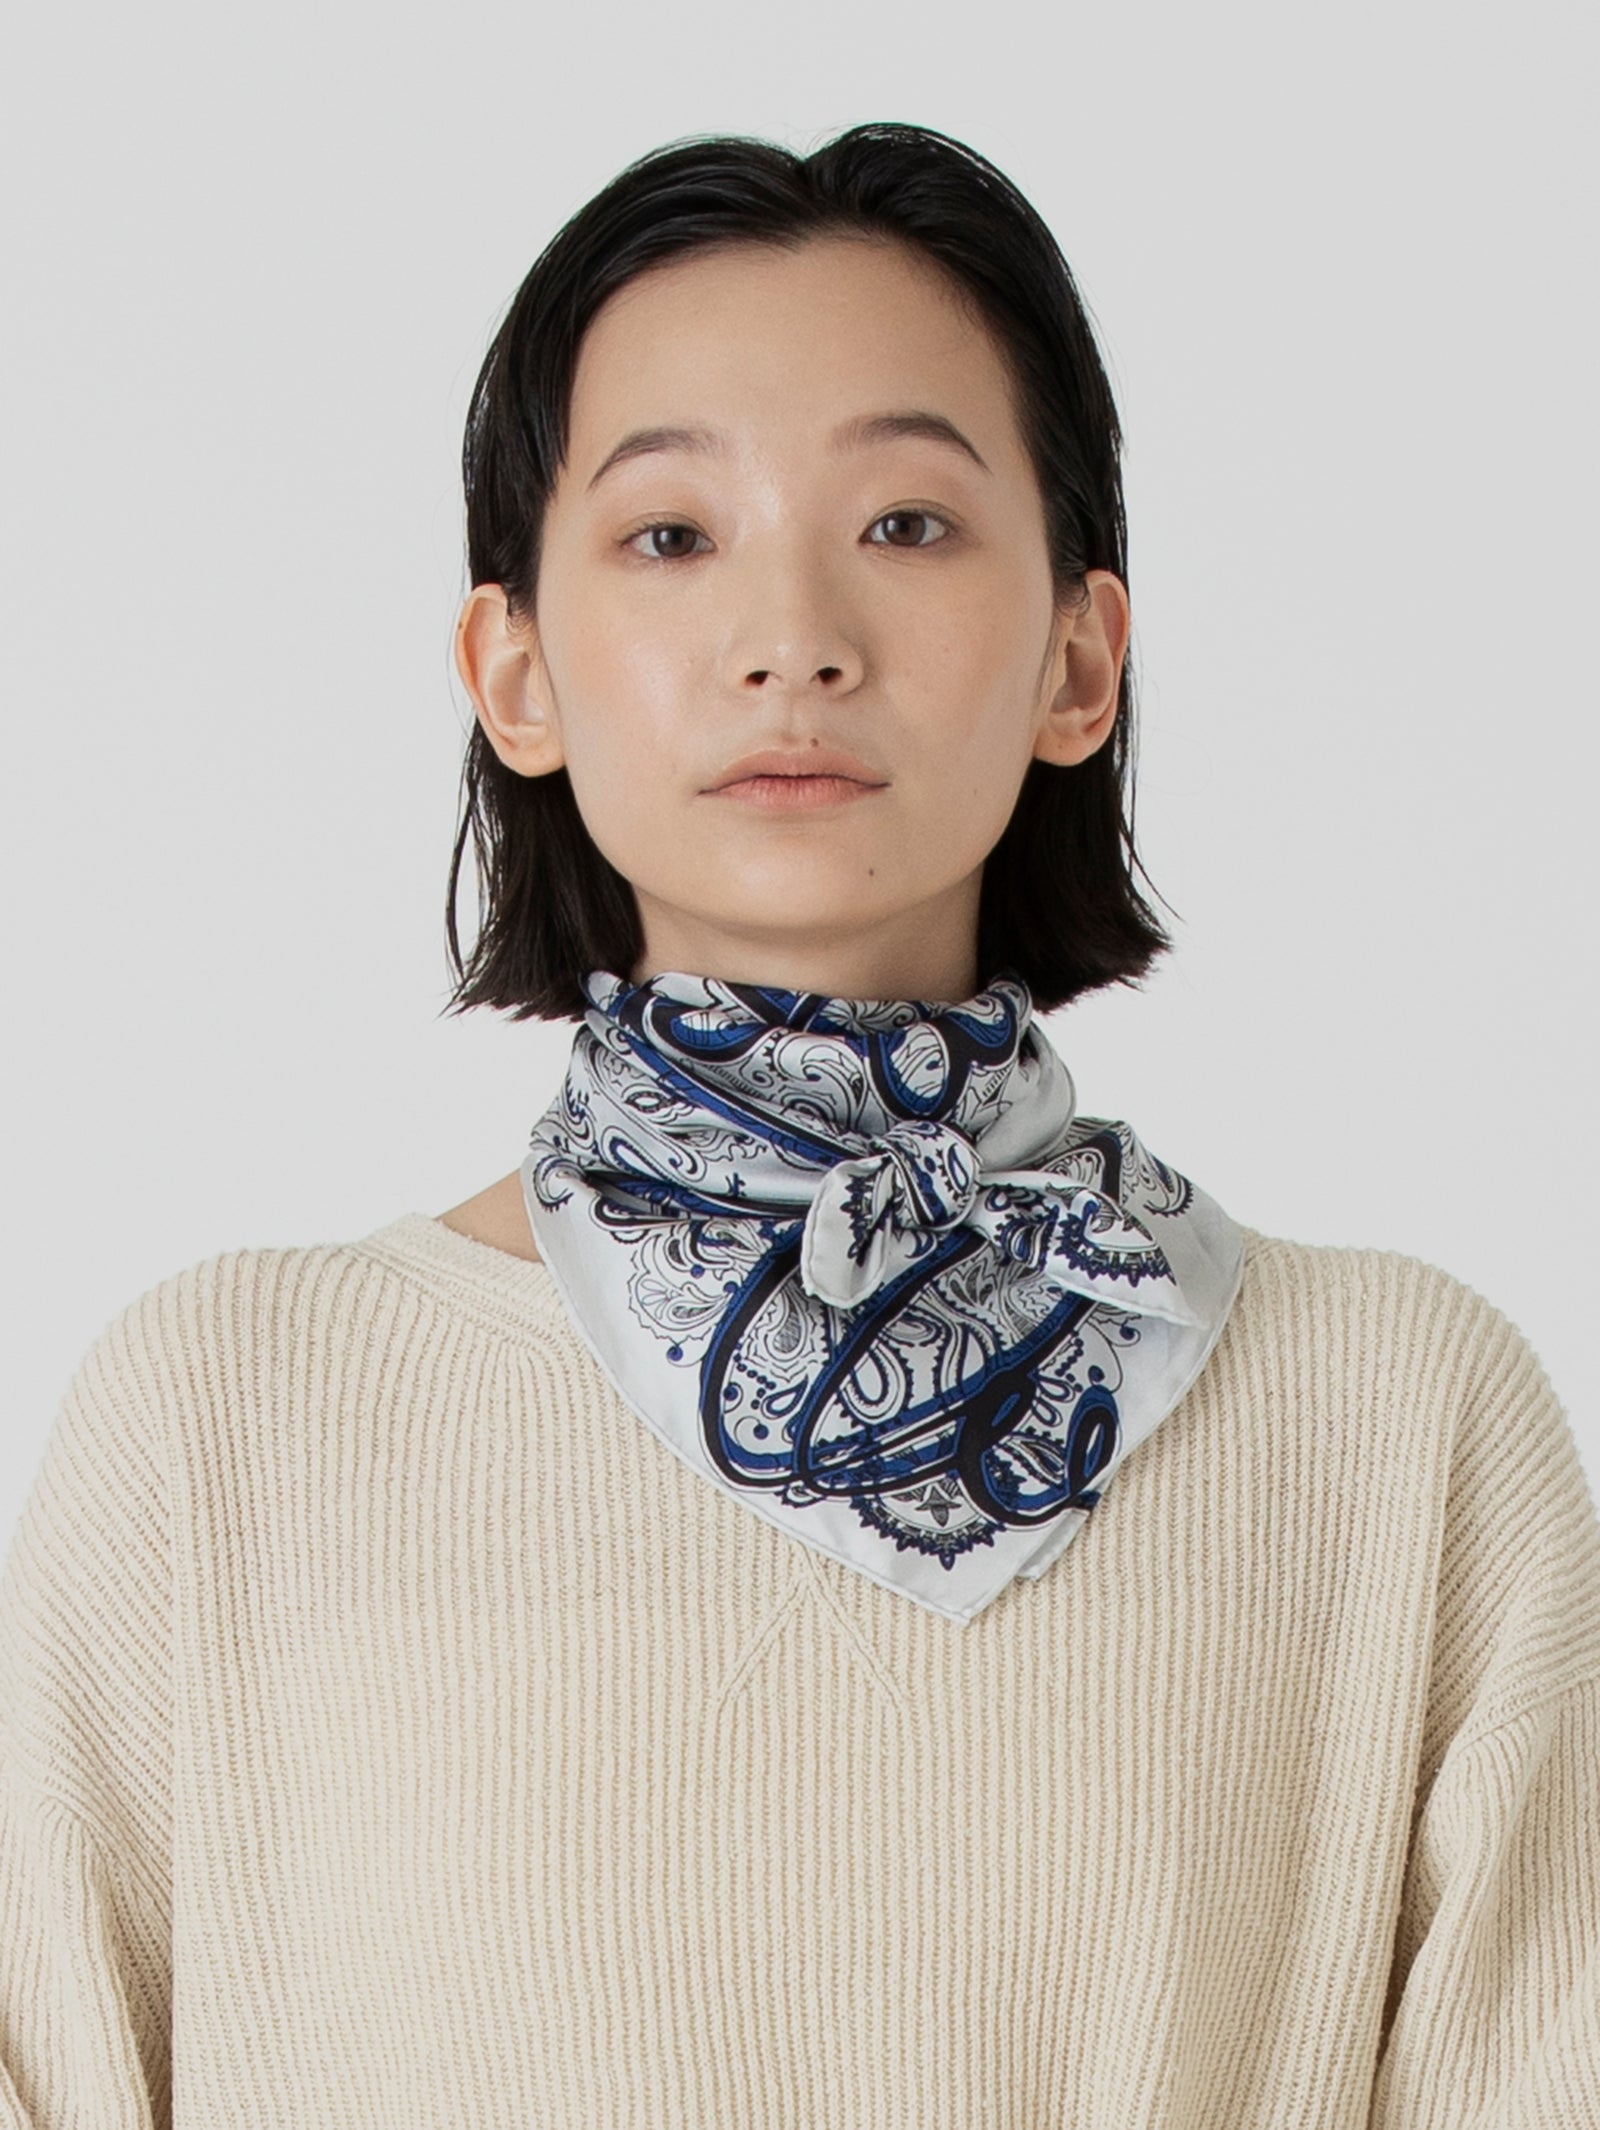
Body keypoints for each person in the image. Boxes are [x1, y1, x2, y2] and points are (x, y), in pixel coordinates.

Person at [2, 121, 1596, 2129]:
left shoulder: (1396, 1422)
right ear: (513, 670)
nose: (795, 637)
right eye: (671, 535)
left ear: (1080, 656)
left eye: (907, 523)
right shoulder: (220, 1419)